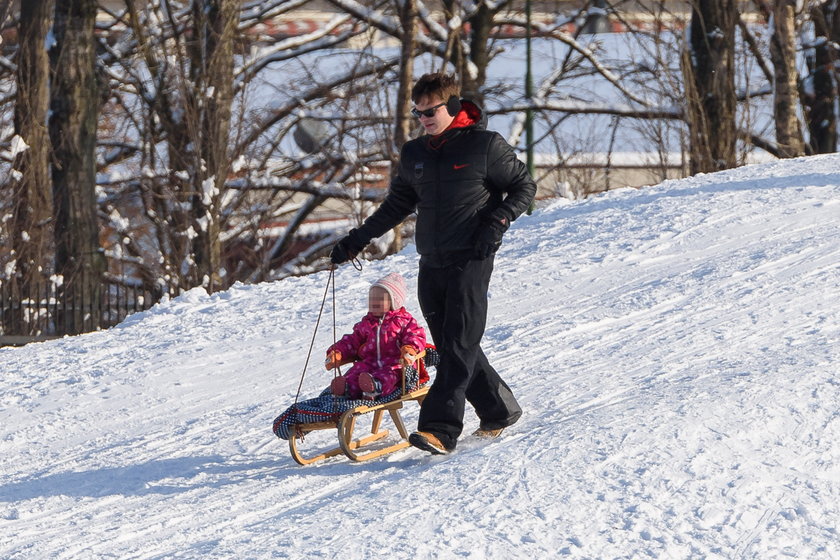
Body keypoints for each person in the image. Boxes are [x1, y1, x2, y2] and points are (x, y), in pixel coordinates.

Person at [329, 73, 537, 454]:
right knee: (449, 342)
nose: (424, 118)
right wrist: (356, 240)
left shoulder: (485, 145)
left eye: (431, 110)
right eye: (418, 112)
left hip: (473, 255)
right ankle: (498, 408)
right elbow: (397, 205)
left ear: (454, 107)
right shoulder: (416, 154)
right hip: (432, 258)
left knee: (458, 343)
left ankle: (440, 428)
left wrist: (498, 220)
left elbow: (524, 186)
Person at [325, 272, 426, 400]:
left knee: (389, 375)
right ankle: (347, 388)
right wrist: (338, 352)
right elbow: (352, 341)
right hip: (370, 364)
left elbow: (415, 335)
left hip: (395, 363)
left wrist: (409, 349)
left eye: (380, 299)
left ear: (394, 301)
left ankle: (375, 387)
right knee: (356, 372)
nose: (374, 301)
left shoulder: (403, 321)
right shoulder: (366, 323)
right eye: (372, 298)